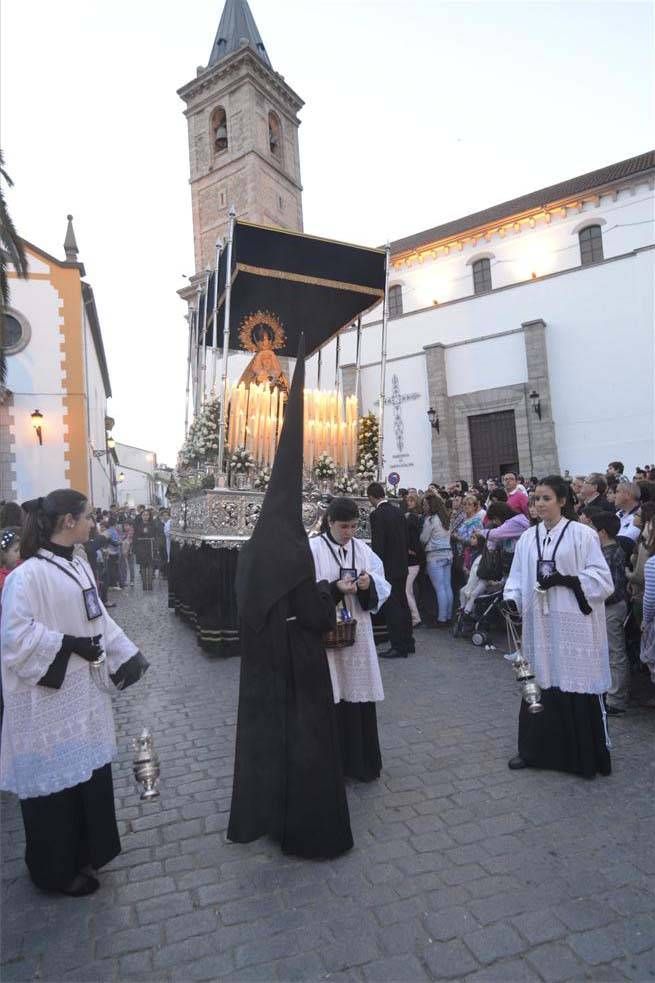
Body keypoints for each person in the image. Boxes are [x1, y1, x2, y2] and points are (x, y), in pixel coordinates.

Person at [228, 338, 353, 859]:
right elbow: (319, 614)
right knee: (307, 747)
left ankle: (270, 818)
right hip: (300, 667)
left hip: (264, 669)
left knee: (272, 743)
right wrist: (326, 592)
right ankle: (309, 832)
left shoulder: (252, 553)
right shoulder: (298, 557)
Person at [0, 490, 147, 896]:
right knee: (55, 787)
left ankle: (85, 851)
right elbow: (14, 640)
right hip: (46, 699)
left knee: (85, 775)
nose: (92, 523)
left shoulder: (79, 564)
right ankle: (55, 871)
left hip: (83, 695)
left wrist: (127, 654)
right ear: (68, 521)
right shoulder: (26, 576)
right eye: (86, 517)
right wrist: (67, 644)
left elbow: (96, 616)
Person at [503, 474, 614, 779]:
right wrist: (511, 599)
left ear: (562, 501)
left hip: (573, 623)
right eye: (536, 498)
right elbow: (516, 577)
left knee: (572, 679)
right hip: (539, 624)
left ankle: (581, 756)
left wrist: (568, 580)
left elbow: (603, 581)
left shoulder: (582, 535)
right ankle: (533, 751)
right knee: (540, 681)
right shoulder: (527, 538)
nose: (539, 504)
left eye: (546, 498)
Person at [310, 497, 390, 782]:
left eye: (355, 526)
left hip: (359, 630)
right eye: (344, 526)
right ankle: (336, 767)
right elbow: (306, 591)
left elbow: (382, 581)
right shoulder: (315, 549)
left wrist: (369, 584)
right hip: (329, 633)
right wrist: (333, 589)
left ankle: (362, 764)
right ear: (330, 522)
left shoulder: (362, 549)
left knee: (359, 694)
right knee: (333, 692)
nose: (350, 532)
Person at [367, 482, 415, 659]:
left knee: (392, 606)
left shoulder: (377, 515)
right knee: (403, 604)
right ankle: (409, 642)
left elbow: (379, 545)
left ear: (371, 497)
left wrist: (375, 567)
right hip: (402, 565)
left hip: (387, 567)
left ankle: (398, 646)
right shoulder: (398, 512)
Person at [588, 512, 629, 715]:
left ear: (602, 532)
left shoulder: (612, 554)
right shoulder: (605, 551)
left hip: (612, 608)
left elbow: (610, 588)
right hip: (605, 607)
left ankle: (616, 698)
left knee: (615, 653)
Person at [420, 493, 453, 627]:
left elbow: (423, 538)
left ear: (431, 506)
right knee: (447, 587)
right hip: (448, 554)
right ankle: (449, 616)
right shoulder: (445, 518)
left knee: (439, 589)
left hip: (434, 555)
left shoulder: (431, 520)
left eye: (425, 505)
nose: (424, 507)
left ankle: (441, 619)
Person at [404, 492, 424, 628]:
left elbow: (415, 538)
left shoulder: (413, 517)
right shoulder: (412, 516)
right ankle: (413, 616)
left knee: (407, 590)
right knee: (407, 589)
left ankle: (415, 617)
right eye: (408, 501)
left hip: (413, 559)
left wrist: (412, 549)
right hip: (412, 558)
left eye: (412, 501)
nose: (409, 503)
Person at [614, 482, 641, 559]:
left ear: (628, 495)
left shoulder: (640, 516)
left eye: (617, 492)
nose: (614, 496)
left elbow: (625, 541)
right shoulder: (619, 513)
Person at [133, 509, 158, 590]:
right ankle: (144, 585)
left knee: (150, 565)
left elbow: (156, 536)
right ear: (141, 516)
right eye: (144, 515)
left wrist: (156, 545)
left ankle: (150, 584)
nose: (145, 516)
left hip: (150, 547)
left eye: (147, 515)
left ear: (149, 516)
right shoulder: (138, 525)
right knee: (143, 566)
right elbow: (135, 537)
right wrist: (135, 548)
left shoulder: (153, 525)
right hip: (141, 547)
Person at [0, 528, 21, 594]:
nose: (19, 554)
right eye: (16, 550)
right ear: (3, 554)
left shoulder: (20, 566)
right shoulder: (3, 581)